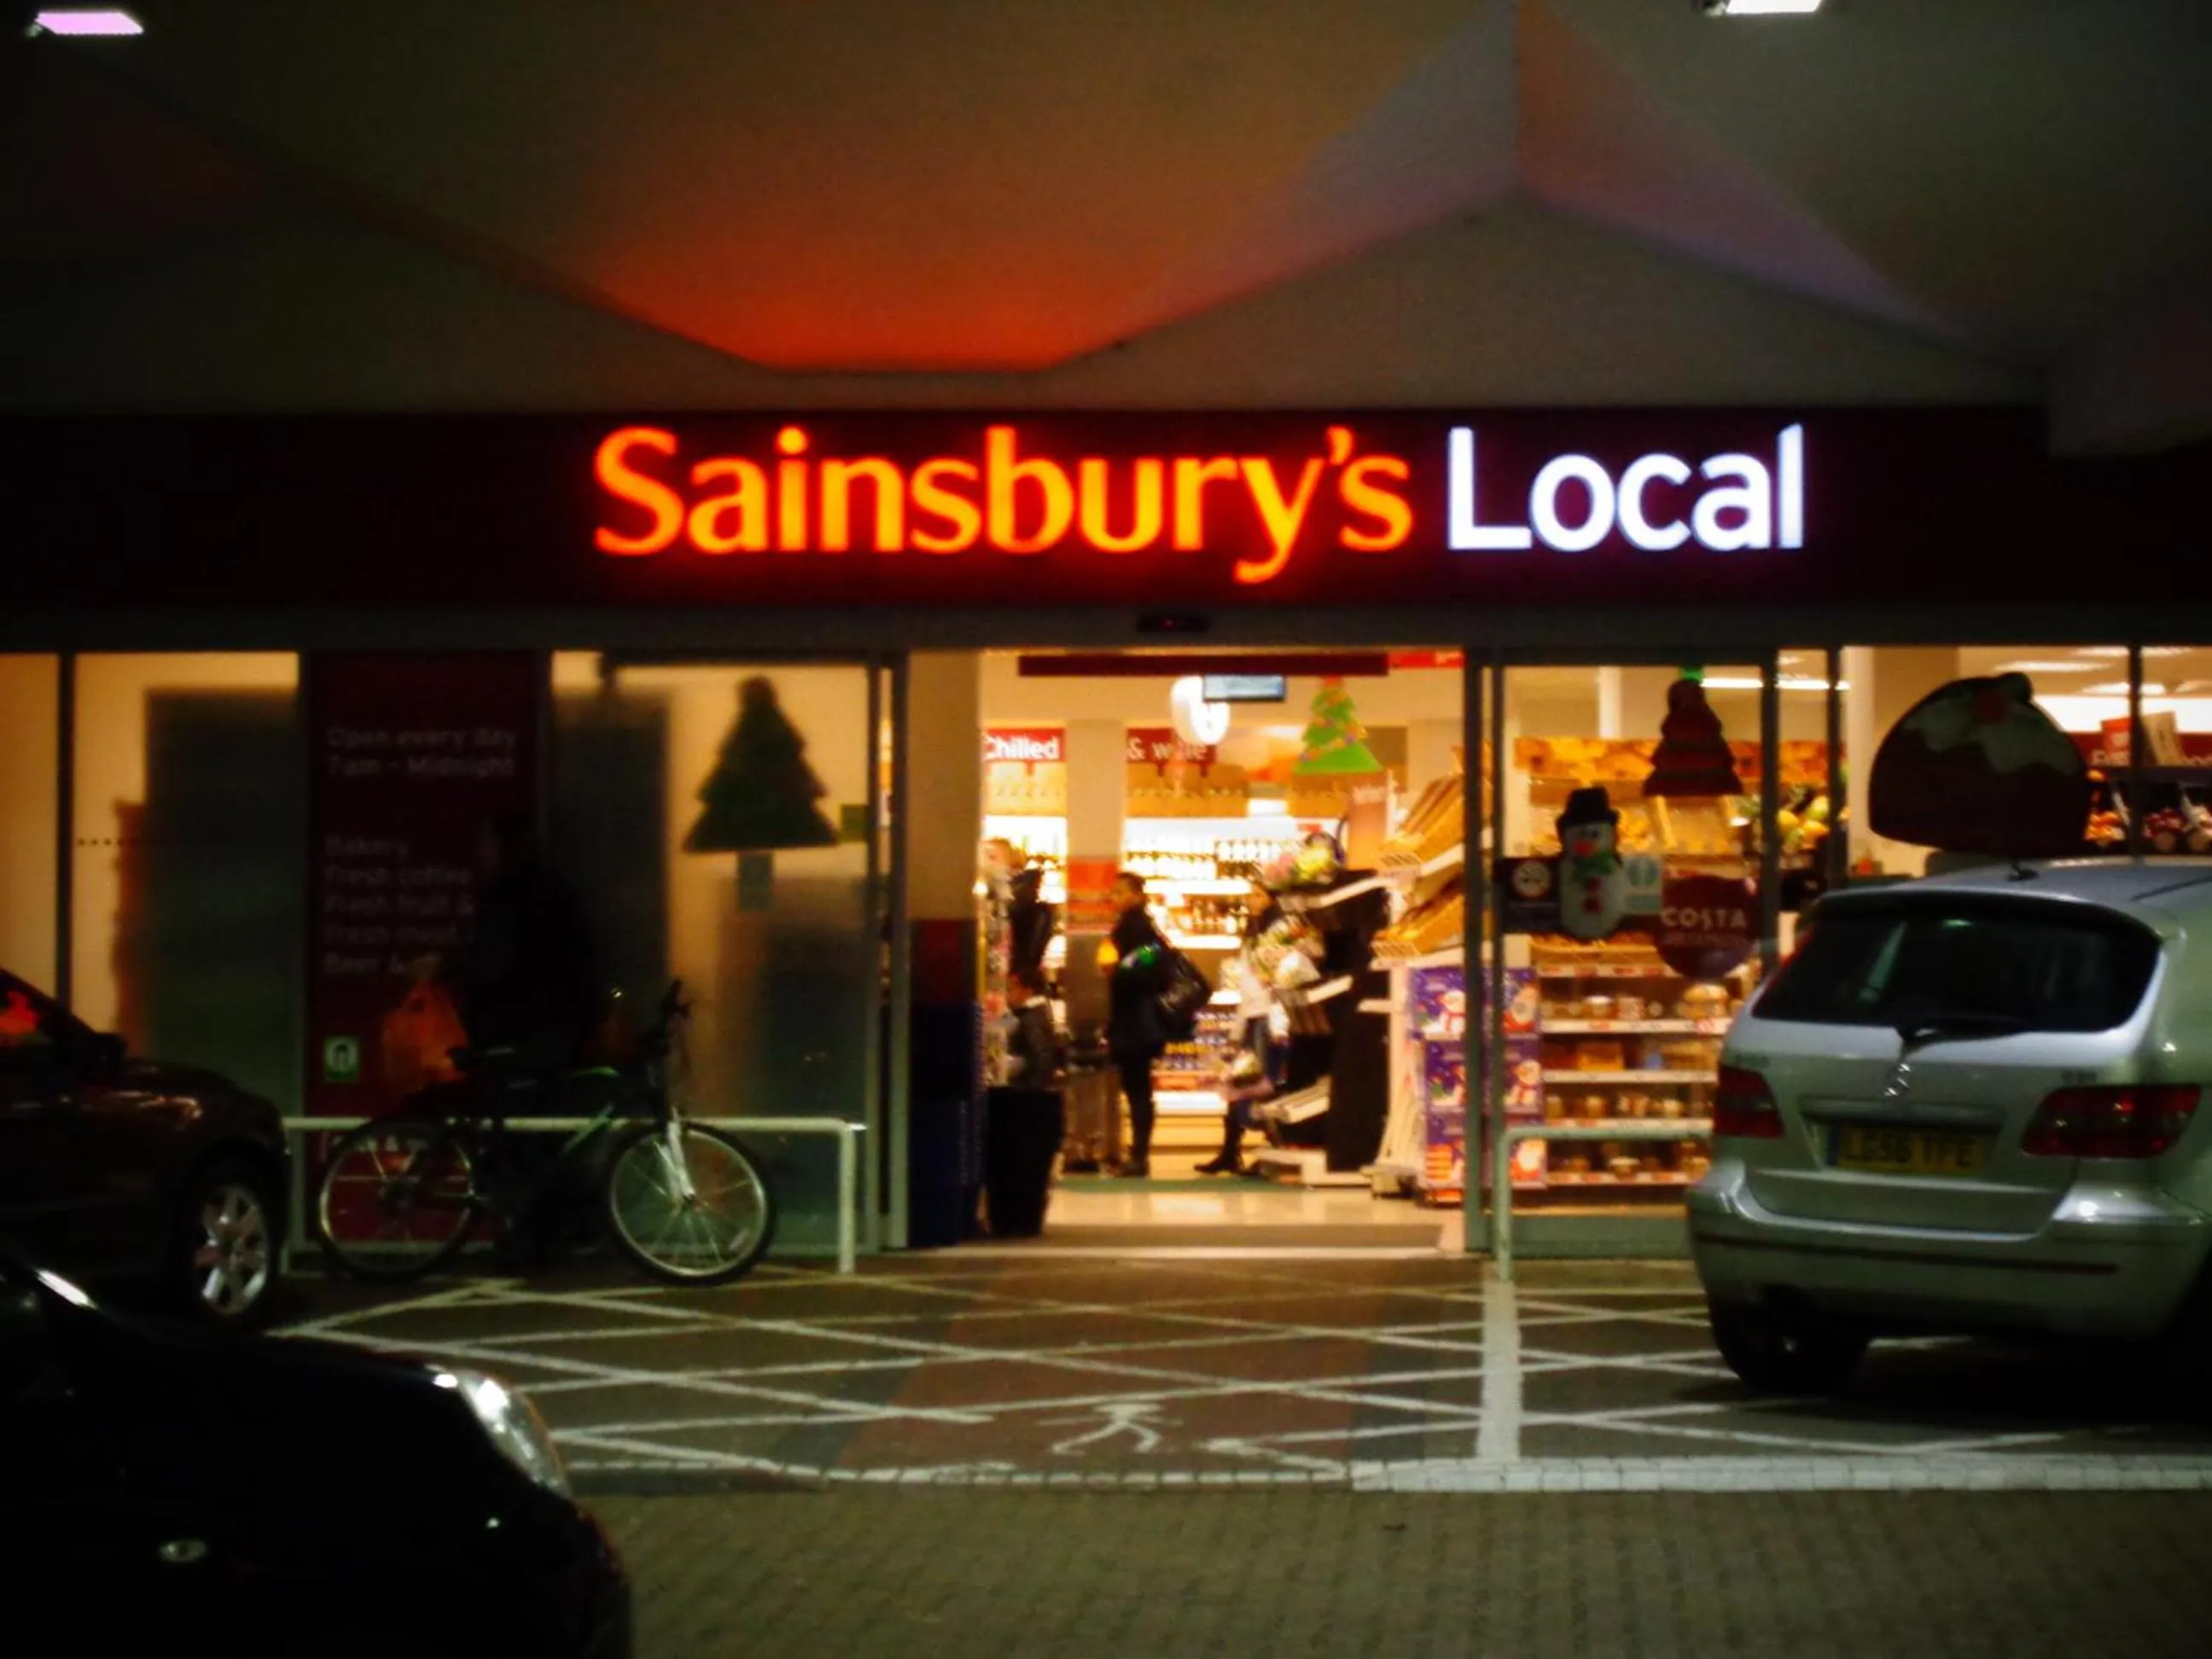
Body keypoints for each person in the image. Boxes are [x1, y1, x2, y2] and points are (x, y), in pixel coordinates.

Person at [1198, 877, 1284, 1175]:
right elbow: (1247, 987)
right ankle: (1229, 1151)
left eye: (1259, 894)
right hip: (1251, 1016)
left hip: (1267, 1017)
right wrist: (1236, 1030)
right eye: (1251, 895)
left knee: (1259, 1084)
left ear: (1273, 898)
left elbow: (1271, 984)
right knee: (1238, 1081)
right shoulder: (1253, 934)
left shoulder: (1278, 934)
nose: (1253, 900)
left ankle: (1275, 1149)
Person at [1104, 870, 1169, 1179]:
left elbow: (1145, 963)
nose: (1113, 898)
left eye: (1119, 892)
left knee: (1138, 1088)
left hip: (1136, 1020)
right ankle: (1137, 1153)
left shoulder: (1138, 927)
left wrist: (1117, 970)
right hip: (1135, 1018)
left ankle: (1139, 1155)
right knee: (1136, 1087)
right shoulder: (1137, 926)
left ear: (1137, 895)